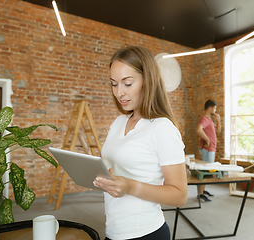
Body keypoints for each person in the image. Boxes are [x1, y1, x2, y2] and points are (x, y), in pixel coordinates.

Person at [93, 46, 188, 240]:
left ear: (148, 81)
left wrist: (130, 187)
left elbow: (180, 195)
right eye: (114, 84)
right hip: (113, 231)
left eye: (127, 83)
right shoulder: (118, 123)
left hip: (145, 233)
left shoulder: (162, 128)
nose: (119, 93)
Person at [195, 99, 221, 202]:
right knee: (205, 171)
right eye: (215, 108)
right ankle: (200, 194)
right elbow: (198, 129)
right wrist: (206, 139)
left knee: (207, 170)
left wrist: (218, 121)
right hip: (207, 149)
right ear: (210, 108)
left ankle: (203, 191)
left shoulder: (209, 120)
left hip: (210, 149)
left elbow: (218, 131)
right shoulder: (204, 119)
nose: (215, 110)